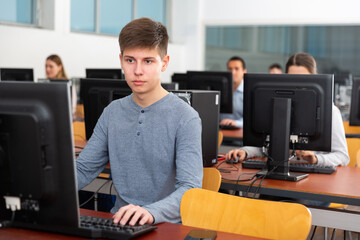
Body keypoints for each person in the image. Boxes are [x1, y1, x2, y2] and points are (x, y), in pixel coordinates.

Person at [76, 18, 203, 226]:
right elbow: (83, 169)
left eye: (148, 61)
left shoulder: (186, 117)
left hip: (165, 226)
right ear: (121, 61)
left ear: (164, 62)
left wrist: (150, 212)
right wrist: (41, 187)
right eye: (130, 60)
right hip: (119, 222)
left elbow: (190, 188)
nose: (137, 71)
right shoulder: (112, 112)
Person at [225, 52, 349, 206]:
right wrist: (246, 151)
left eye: (303, 78)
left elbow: (343, 156)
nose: (297, 83)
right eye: (292, 78)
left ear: (314, 78)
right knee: (261, 202)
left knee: (284, 206)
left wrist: (316, 159)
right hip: (281, 181)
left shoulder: (329, 112)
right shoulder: (278, 108)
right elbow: (266, 146)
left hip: (316, 186)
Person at [219, 56, 247, 128]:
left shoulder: (248, 92)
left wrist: (236, 123)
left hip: (238, 134)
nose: (233, 72)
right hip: (221, 132)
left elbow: (251, 120)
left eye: (236, 69)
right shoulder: (221, 89)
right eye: (230, 69)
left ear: (244, 71)